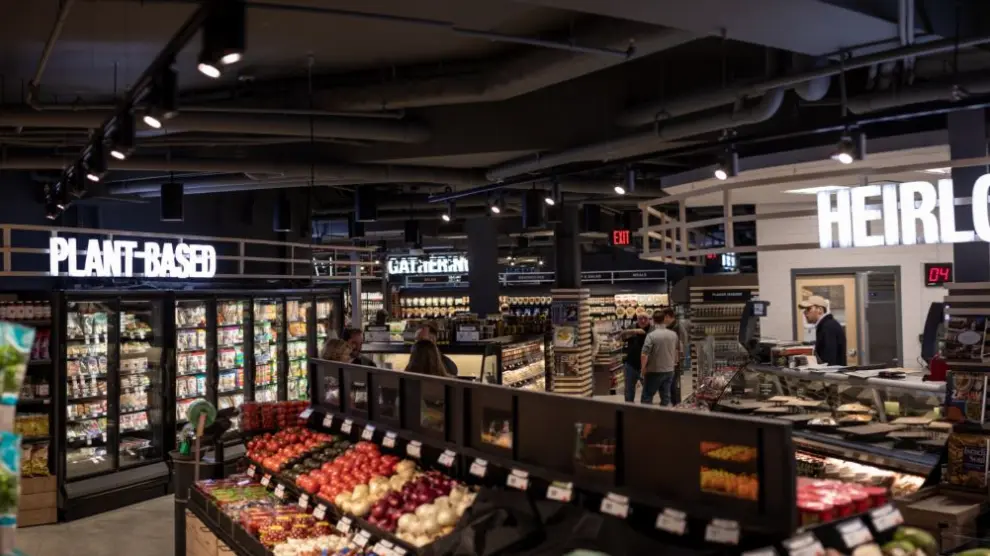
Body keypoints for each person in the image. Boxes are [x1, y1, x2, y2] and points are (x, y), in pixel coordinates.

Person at [639, 309, 680, 406]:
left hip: (654, 371)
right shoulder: (673, 334)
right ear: (664, 319)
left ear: (653, 320)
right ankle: (664, 414)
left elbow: (644, 354)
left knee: (647, 396)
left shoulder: (651, 336)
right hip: (669, 370)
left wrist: (643, 368)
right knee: (666, 397)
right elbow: (677, 351)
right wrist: (674, 363)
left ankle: (645, 415)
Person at [799, 295, 847, 366]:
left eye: (808, 309)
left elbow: (829, 360)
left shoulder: (828, 327)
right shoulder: (826, 325)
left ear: (820, 310)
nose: (805, 313)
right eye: (805, 310)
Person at [618, 313, 652, 402]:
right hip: (631, 364)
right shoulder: (632, 327)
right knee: (629, 391)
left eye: (645, 318)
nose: (643, 321)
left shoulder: (652, 329)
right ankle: (629, 408)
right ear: (637, 319)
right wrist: (633, 331)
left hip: (647, 365)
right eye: (640, 318)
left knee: (648, 391)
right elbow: (621, 336)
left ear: (649, 319)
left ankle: (646, 408)